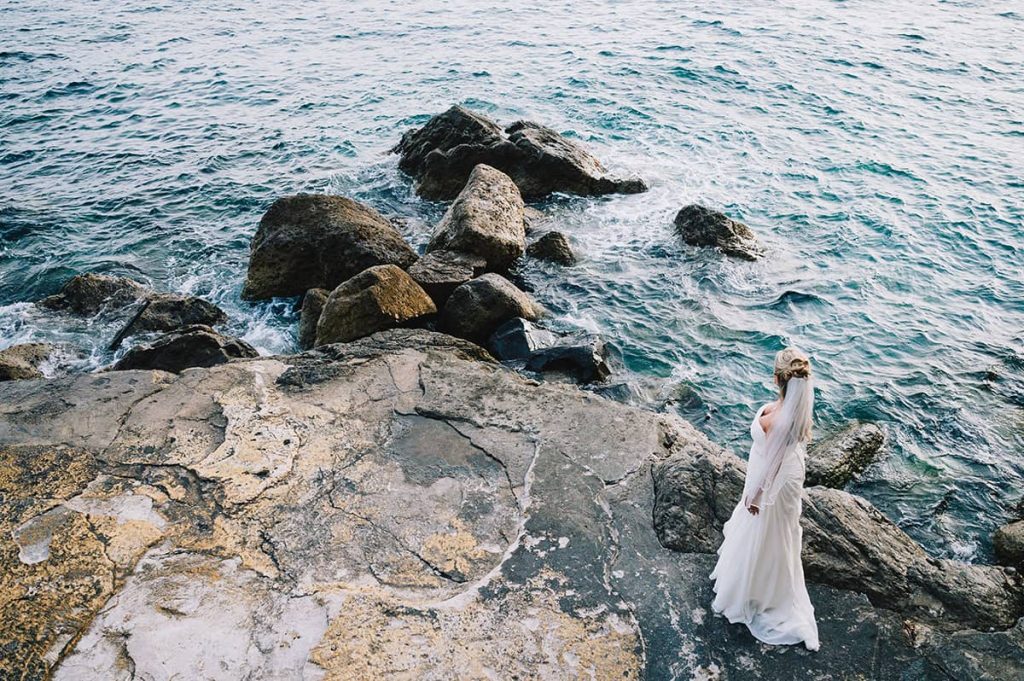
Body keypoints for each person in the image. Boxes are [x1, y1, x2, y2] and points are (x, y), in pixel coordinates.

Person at [709, 346, 820, 651]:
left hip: (773, 480)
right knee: (777, 534)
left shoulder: (778, 419)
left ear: (777, 378)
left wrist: (756, 495)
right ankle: (768, 584)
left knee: (762, 530)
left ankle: (757, 591)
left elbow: (771, 466)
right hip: (789, 474)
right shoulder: (793, 410)